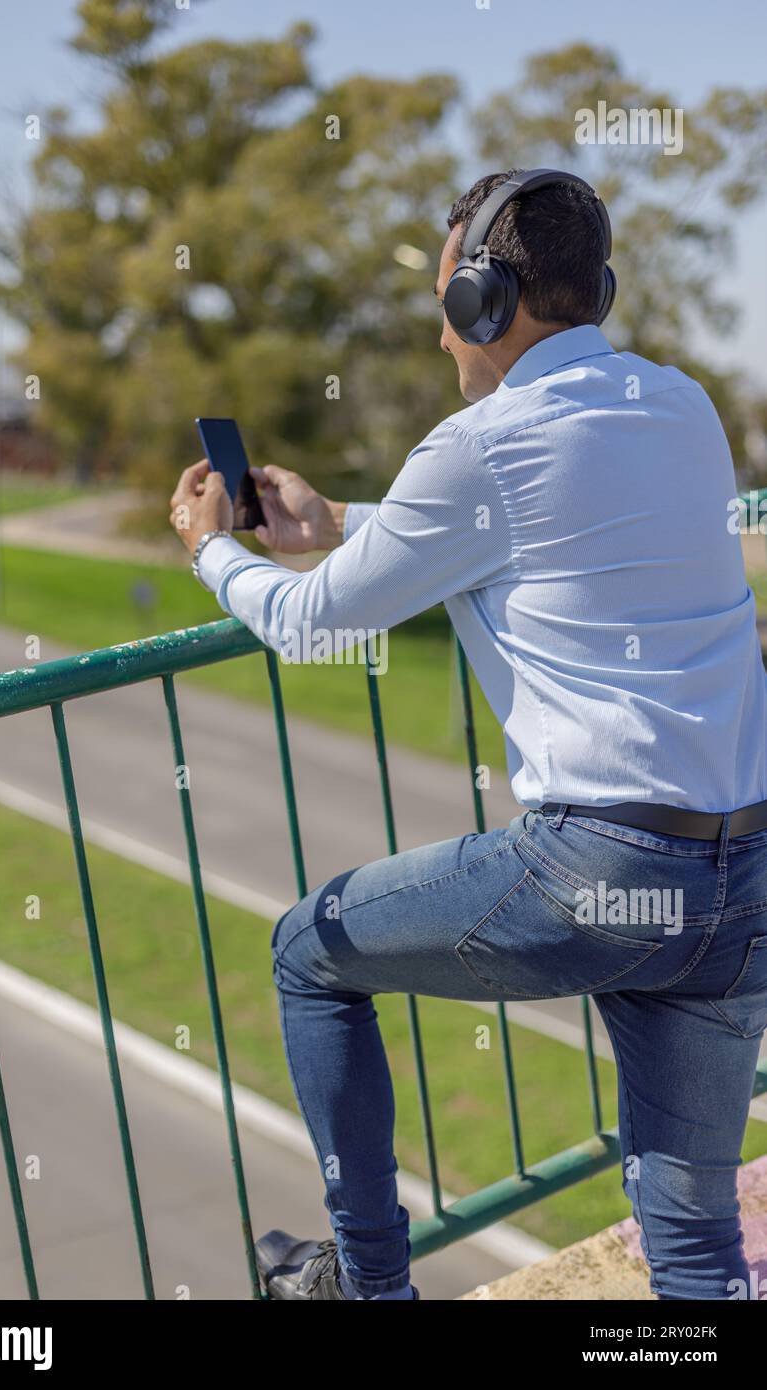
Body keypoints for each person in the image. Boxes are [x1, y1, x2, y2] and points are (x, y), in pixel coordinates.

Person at [169, 169, 767, 1302]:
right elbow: (555, 520)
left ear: (480, 307)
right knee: (689, 1242)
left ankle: (366, 1285)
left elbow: (303, 622)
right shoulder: (679, 404)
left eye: (446, 302)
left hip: (595, 873)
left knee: (308, 949)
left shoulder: (479, 444)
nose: (443, 334)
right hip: (739, 881)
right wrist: (341, 521)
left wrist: (212, 548)